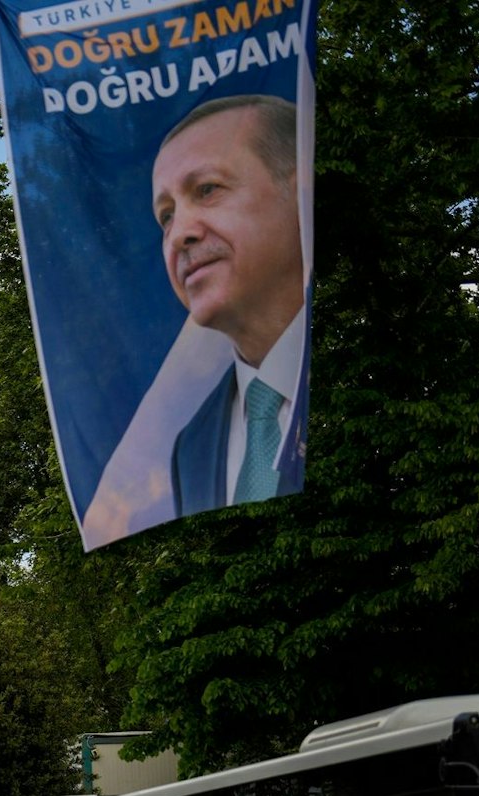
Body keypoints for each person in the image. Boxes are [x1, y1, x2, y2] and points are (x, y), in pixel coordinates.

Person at [151, 94, 307, 516]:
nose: (179, 234)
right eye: (166, 216)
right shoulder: (191, 447)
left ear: (300, 192)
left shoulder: (387, 352)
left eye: (207, 189)